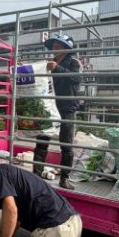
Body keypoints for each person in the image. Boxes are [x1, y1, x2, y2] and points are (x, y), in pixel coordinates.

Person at [33, 33, 82, 190]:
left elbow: (76, 78)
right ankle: (36, 174)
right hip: (48, 106)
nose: (56, 49)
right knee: (42, 139)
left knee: (66, 144)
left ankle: (65, 178)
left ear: (67, 48)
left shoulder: (74, 62)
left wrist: (58, 68)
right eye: (54, 47)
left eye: (59, 46)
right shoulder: (49, 63)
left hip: (67, 107)